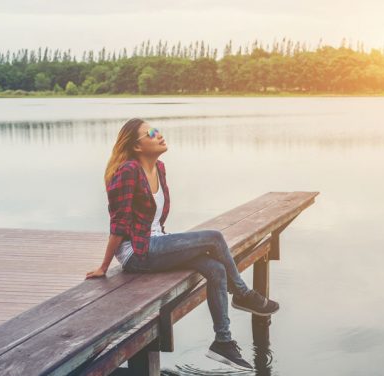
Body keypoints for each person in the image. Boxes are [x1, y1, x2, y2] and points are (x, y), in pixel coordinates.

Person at [85, 118, 279, 371]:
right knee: (214, 237)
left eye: (156, 130)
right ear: (137, 146)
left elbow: (155, 222)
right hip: (138, 252)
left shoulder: (159, 168)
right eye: (150, 133)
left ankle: (223, 342)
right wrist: (104, 266)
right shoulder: (128, 171)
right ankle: (243, 294)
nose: (159, 135)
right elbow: (119, 223)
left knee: (215, 268)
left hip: (157, 243)